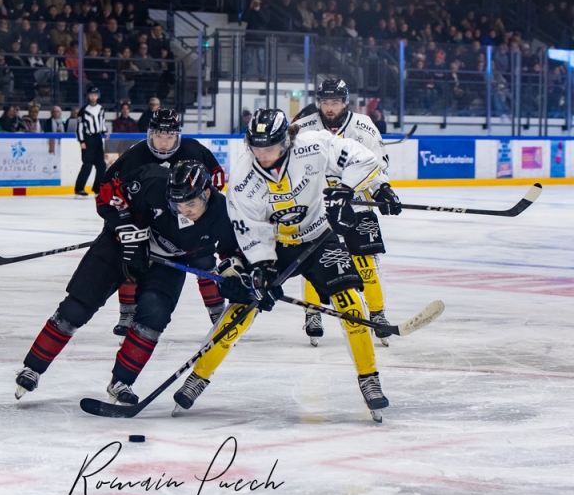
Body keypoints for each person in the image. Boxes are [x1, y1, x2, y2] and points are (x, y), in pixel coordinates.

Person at [177, 108, 394, 423]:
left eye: (270, 147)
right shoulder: (242, 177)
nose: (262, 155)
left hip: (320, 238)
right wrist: (261, 270)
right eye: (256, 147)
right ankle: (199, 375)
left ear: (286, 140)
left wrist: (344, 191)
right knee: (241, 308)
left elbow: (365, 159)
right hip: (275, 245)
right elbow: (249, 230)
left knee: (351, 304)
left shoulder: (314, 144)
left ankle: (369, 377)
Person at [13, 161, 238, 406]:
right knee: (78, 305)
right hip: (121, 245)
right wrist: (127, 231)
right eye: (178, 204)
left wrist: (234, 276)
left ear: (206, 193)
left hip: (170, 262)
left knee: (153, 318)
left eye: (190, 204)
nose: (184, 210)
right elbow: (109, 194)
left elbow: (231, 251)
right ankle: (32, 368)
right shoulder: (153, 181)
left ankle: (122, 382)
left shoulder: (223, 213)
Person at [291, 79, 401, 346]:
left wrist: (383, 190)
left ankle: (377, 314)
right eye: (325, 102)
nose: (330, 108)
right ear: (319, 102)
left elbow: (376, 166)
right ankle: (313, 312)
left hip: (357, 201)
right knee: (316, 259)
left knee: (366, 263)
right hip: (318, 206)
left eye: (335, 102)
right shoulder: (304, 127)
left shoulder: (364, 126)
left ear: (345, 102)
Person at [103, 108, 226, 337]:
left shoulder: (193, 149)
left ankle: (219, 314)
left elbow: (217, 174)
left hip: (188, 220)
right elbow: (109, 186)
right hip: (151, 224)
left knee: (204, 261)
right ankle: (128, 313)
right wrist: (125, 221)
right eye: (159, 135)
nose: (163, 142)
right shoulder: (137, 154)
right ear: (151, 133)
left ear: (177, 135)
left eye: (169, 136)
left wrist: (202, 207)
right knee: (131, 257)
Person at [74, 85, 109, 197]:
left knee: (101, 165)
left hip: (98, 138)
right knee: (87, 164)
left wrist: (105, 131)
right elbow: (79, 127)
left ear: (97, 96)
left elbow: (102, 122)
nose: (93, 97)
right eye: (91, 95)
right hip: (88, 139)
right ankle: (79, 189)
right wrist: (81, 141)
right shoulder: (83, 110)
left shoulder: (101, 109)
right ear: (88, 96)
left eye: (95, 95)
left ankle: (97, 189)